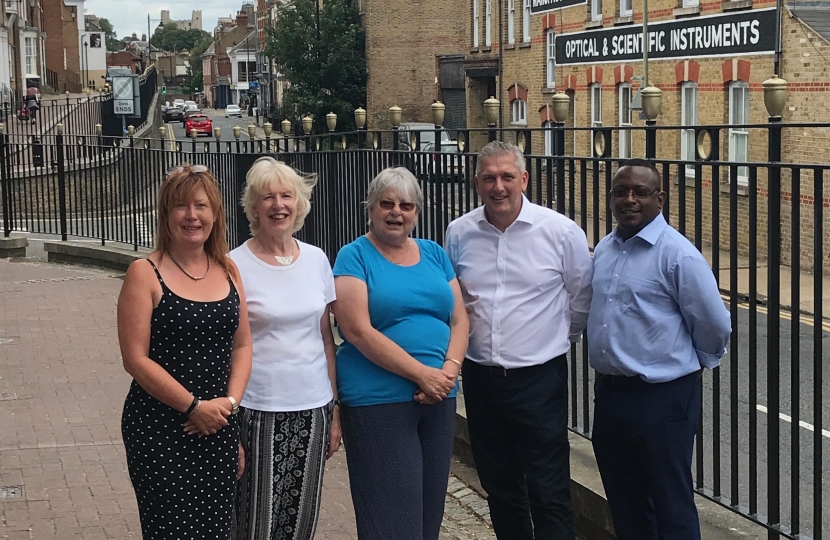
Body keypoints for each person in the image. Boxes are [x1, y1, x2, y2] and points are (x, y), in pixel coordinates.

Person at [444, 141, 593, 540]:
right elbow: (454, 301)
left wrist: (557, 341)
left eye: (507, 176)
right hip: (482, 378)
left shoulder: (561, 232)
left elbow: (580, 299)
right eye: (489, 178)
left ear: (523, 179)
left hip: (538, 379)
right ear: (476, 183)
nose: (499, 187)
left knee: (549, 488)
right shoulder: (458, 233)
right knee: (500, 487)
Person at [587, 159, 731, 540]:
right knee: (626, 503)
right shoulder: (605, 248)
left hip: (663, 398)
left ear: (660, 198)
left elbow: (714, 324)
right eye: (621, 191)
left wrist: (688, 366)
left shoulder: (678, 255)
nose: (629, 199)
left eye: (641, 192)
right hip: (611, 395)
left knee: (670, 503)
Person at [332, 167, 469, 540]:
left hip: (438, 397)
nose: (396, 212)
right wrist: (421, 374)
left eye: (406, 205)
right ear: (371, 208)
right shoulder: (354, 256)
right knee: (392, 522)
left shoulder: (435, 254)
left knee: (428, 520)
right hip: (379, 401)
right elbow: (357, 330)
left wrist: (448, 372)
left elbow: (460, 319)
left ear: (416, 213)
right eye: (387, 203)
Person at [118, 164, 253, 539]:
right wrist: (194, 407)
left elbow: (242, 344)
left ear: (215, 214)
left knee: (215, 529)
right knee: (171, 530)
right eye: (180, 206)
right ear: (166, 214)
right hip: (161, 427)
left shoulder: (229, 271)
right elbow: (135, 358)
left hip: (220, 424)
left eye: (201, 206)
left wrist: (227, 406)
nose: (191, 216)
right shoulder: (144, 273)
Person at [230, 157, 341, 540]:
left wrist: (335, 408)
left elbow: (326, 337)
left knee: (299, 521)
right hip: (257, 409)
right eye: (268, 197)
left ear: (299, 203)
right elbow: (230, 346)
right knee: (254, 522)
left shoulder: (316, 259)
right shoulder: (234, 265)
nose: (278, 205)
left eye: (286, 196)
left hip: (312, 409)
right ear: (254, 207)